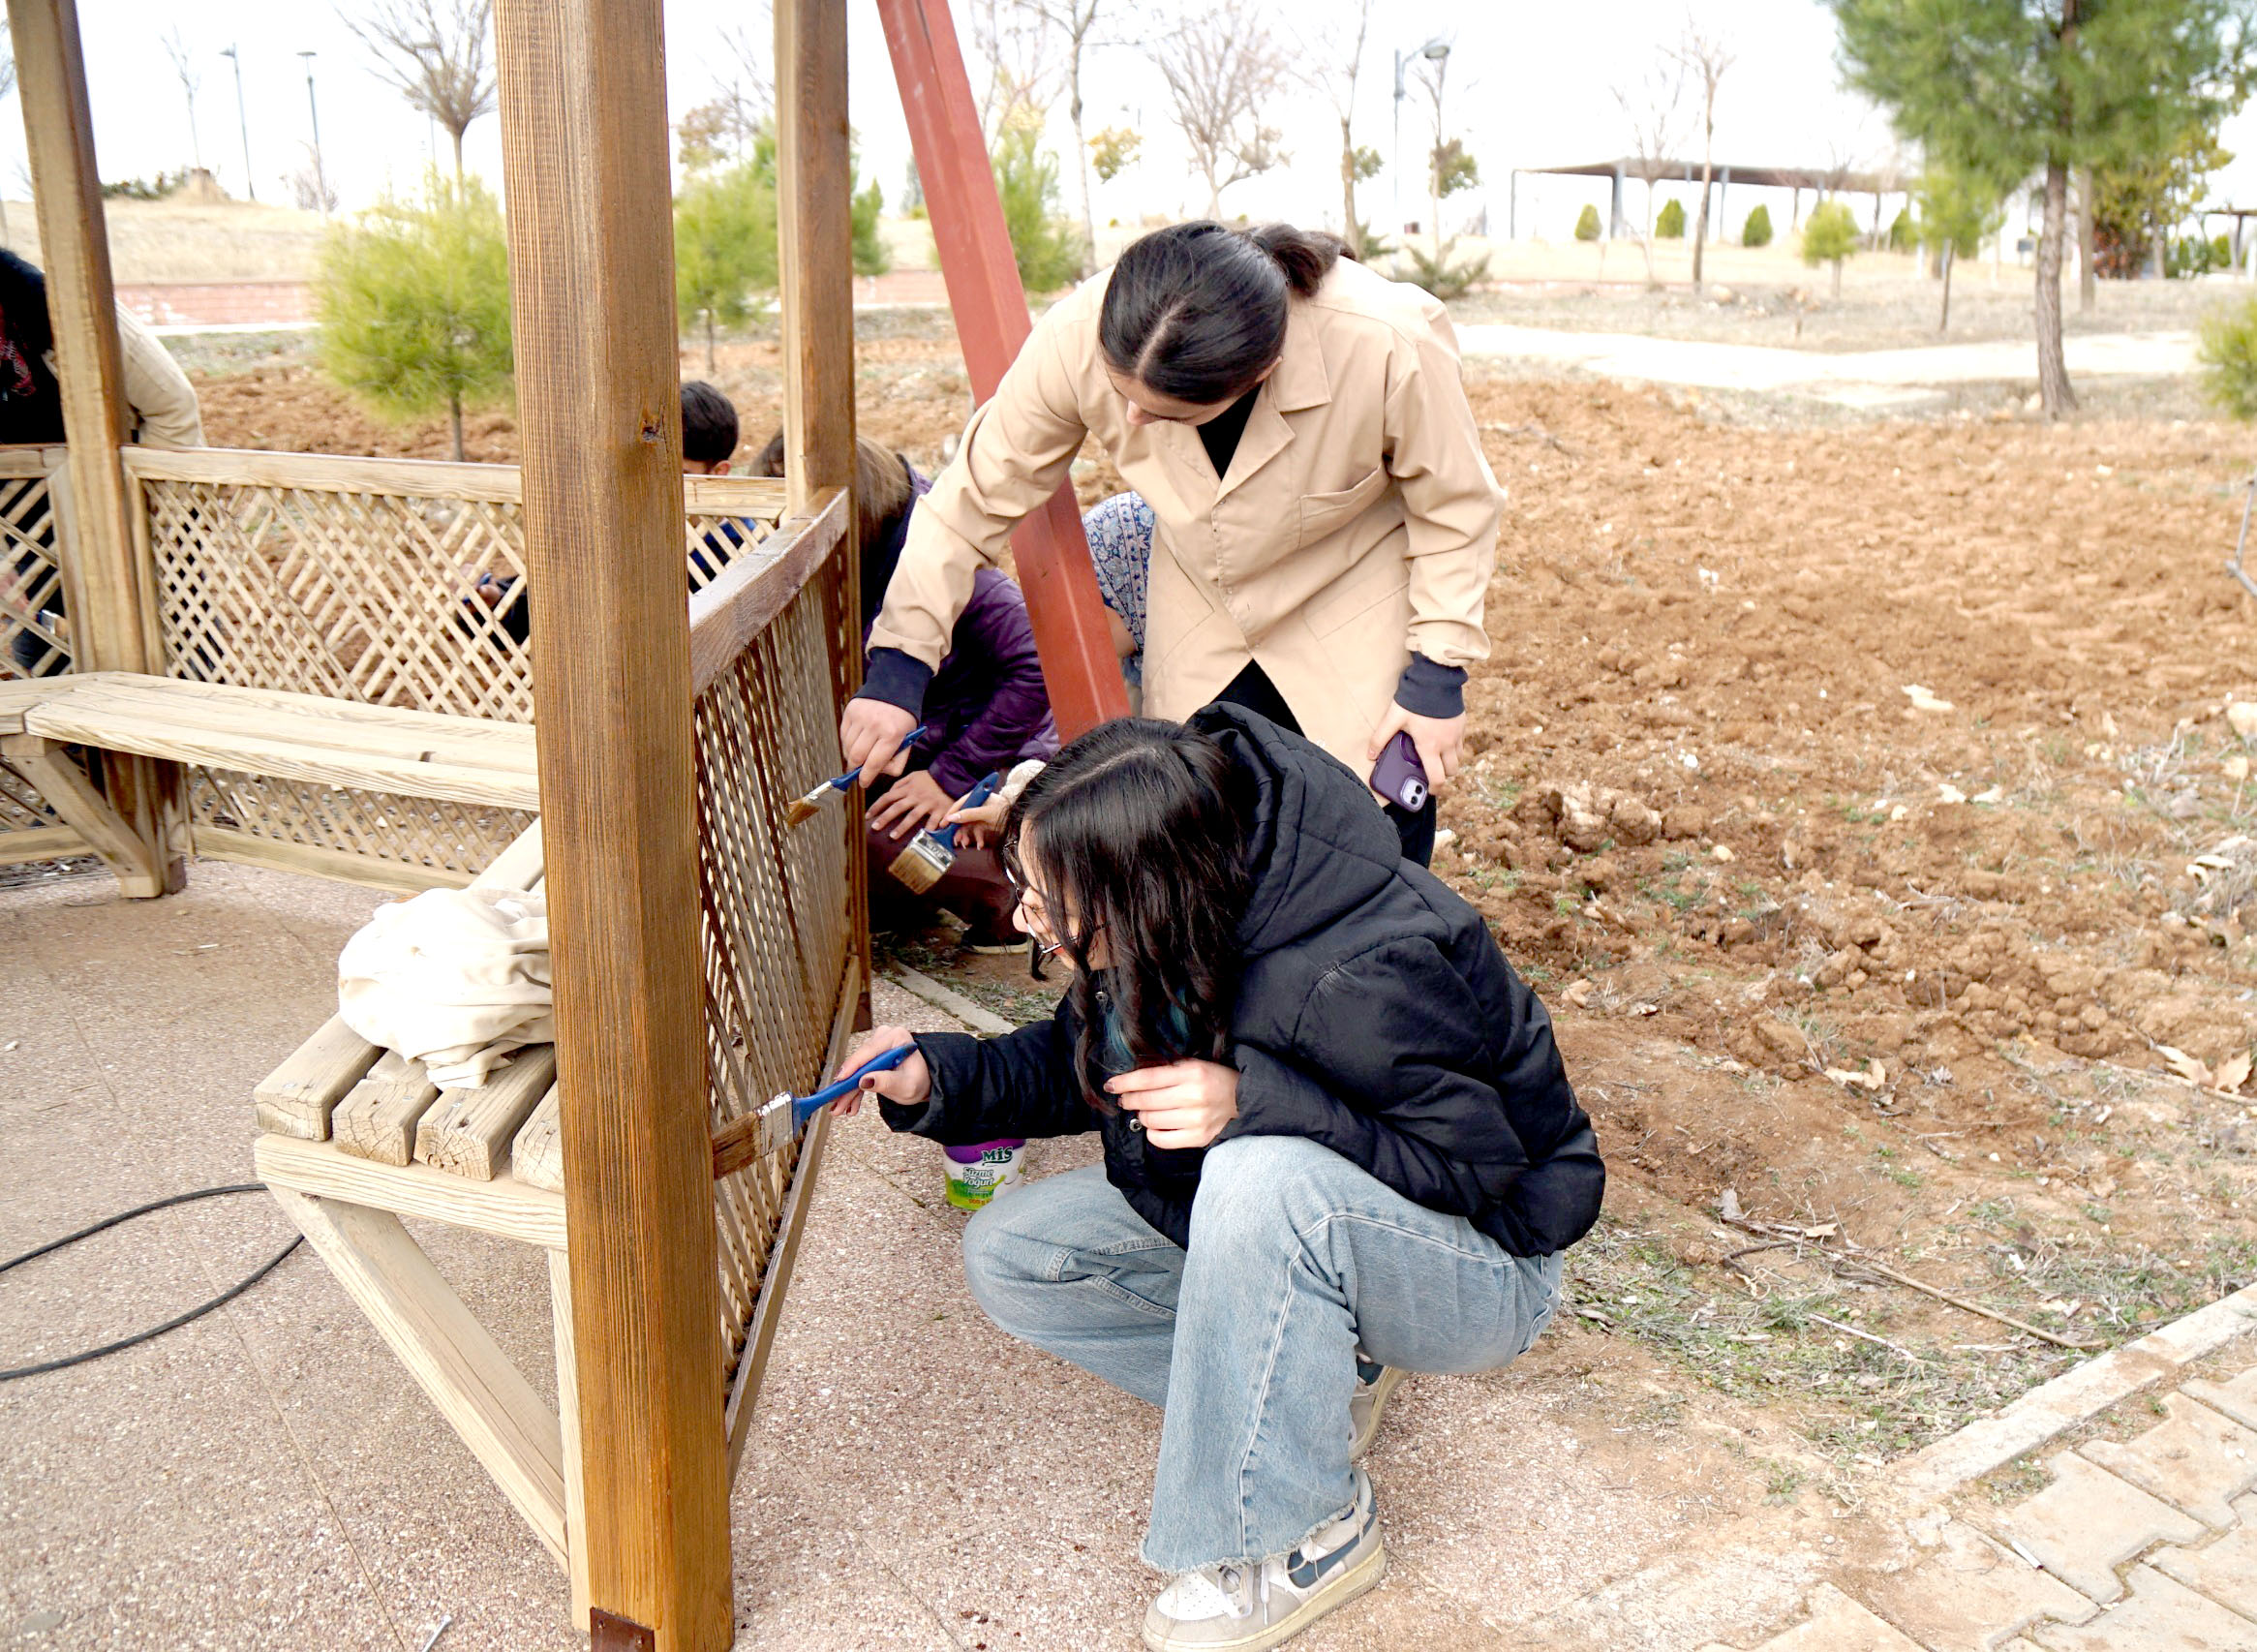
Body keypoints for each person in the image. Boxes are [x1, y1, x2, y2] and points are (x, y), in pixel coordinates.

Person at [829, 709, 1602, 1651]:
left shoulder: (1361, 968)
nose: (1027, 917)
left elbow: (1482, 1173)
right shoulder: (1186, 900)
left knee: (1255, 1173)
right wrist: (935, 1072)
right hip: (1347, 1215)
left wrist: (1250, 1100)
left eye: (1043, 900)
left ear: (1142, 895)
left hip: (1487, 1264)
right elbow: (1098, 1061)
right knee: (1019, 1250)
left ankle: (1310, 1524)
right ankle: (1322, 1379)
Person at [838, 221, 1507, 868]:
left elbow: (1454, 507)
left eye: (1162, 414)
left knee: (1370, 834)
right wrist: (899, 669)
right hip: (1204, 602)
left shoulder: (1386, 340)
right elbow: (965, 503)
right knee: (1194, 837)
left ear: (1259, 374)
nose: (1132, 420)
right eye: (1121, 395)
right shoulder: (1079, 332)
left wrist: (1435, 681)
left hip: (1353, 594)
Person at [752, 432, 1058, 950]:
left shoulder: (952, 568)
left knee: (874, 830)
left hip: (997, 759)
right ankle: (917, 891)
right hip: (934, 741)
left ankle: (1005, 895)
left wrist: (949, 777)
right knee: (850, 820)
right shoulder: (877, 554)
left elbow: (1037, 668)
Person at [3, 249, 204, 677]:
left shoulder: (64, 305)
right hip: (28, 513)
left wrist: (153, 517)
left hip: (123, 490)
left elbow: (173, 407)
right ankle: (71, 740)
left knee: (173, 636)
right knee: (46, 651)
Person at [470, 379, 749, 646]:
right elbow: (553, 608)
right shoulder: (626, 530)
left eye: (677, 474)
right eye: (649, 469)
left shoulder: (740, 548)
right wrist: (495, 599)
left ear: (718, 473)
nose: (656, 486)